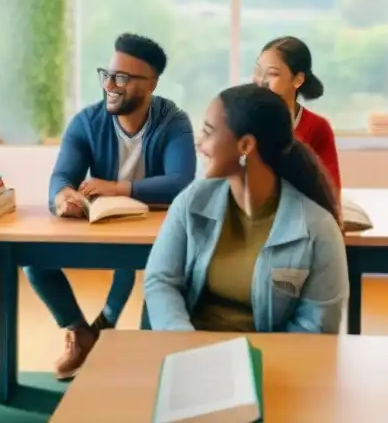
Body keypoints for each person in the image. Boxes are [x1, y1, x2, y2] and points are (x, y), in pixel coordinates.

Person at [24, 34, 196, 379]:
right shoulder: (86, 122)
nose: (110, 85)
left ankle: (139, 350)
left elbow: (181, 181)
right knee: (33, 259)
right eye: (108, 74)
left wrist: (118, 188)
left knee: (156, 278)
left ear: (152, 84)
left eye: (124, 78)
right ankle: (82, 332)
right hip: (108, 223)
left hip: (159, 231)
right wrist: (62, 197)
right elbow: (61, 177)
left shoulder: (173, 121)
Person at [144, 83, 347, 334]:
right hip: (192, 352)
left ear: (245, 146)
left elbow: (316, 325)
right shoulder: (191, 202)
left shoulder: (318, 228)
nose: (199, 143)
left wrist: (256, 360)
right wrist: (184, 341)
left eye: (208, 132)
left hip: (273, 364)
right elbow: (161, 281)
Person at [253, 36, 340, 190]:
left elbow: (331, 191)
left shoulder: (317, 127)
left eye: (272, 74)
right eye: (258, 72)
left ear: (298, 80)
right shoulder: (243, 119)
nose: (261, 81)